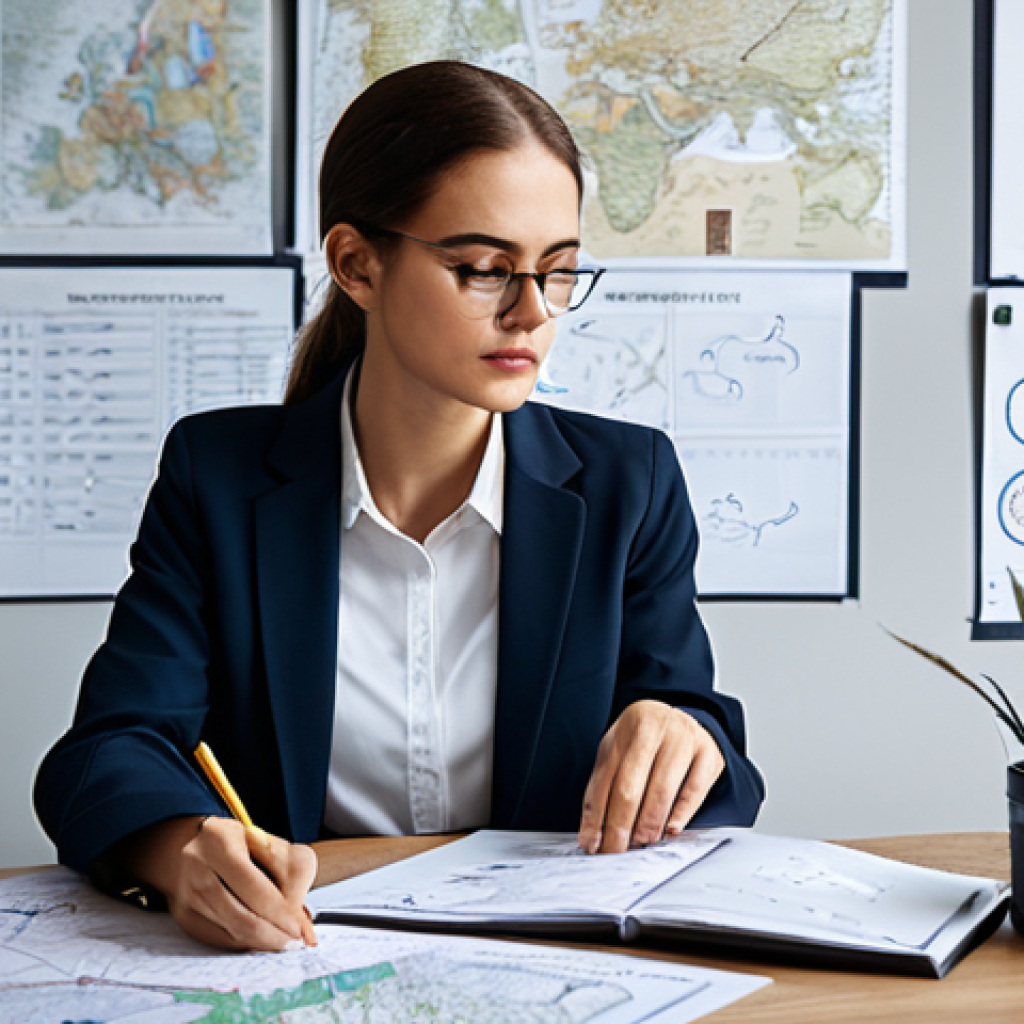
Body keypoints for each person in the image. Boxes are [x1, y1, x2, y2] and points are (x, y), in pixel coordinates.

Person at [34, 61, 764, 953]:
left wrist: (684, 732)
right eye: (485, 269)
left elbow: (715, 757)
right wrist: (180, 848)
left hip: (552, 968)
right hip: (300, 960)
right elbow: (108, 751)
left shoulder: (627, 480)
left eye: (560, 271)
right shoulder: (218, 476)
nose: (533, 312)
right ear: (357, 264)